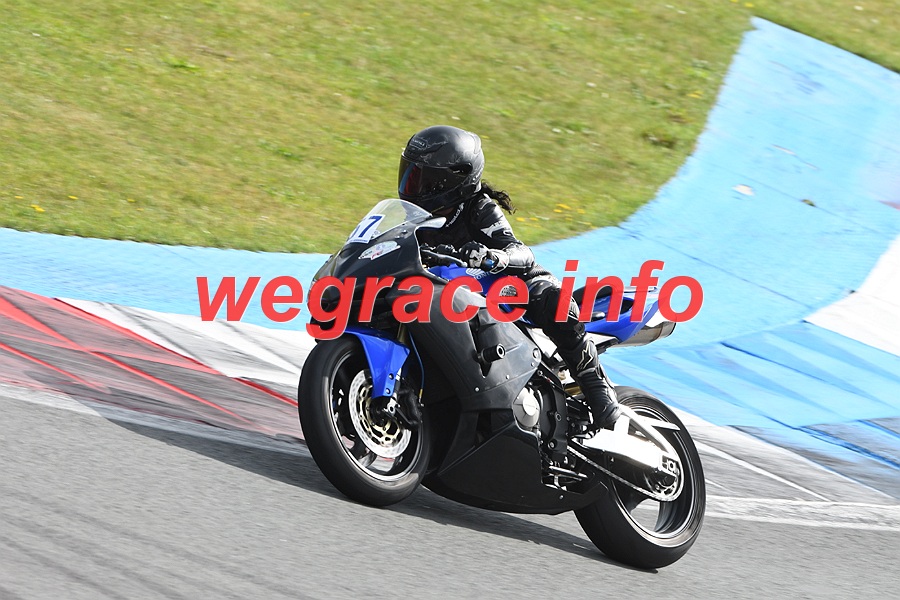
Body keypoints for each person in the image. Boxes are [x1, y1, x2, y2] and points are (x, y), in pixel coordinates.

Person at [397, 124, 620, 431]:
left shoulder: (478, 208)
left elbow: (521, 252)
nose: (413, 186)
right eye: (410, 175)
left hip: (507, 288)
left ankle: (596, 384)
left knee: (552, 300)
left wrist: (495, 257)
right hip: (446, 296)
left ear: (455, 180)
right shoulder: (414, 219)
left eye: (425, 179)